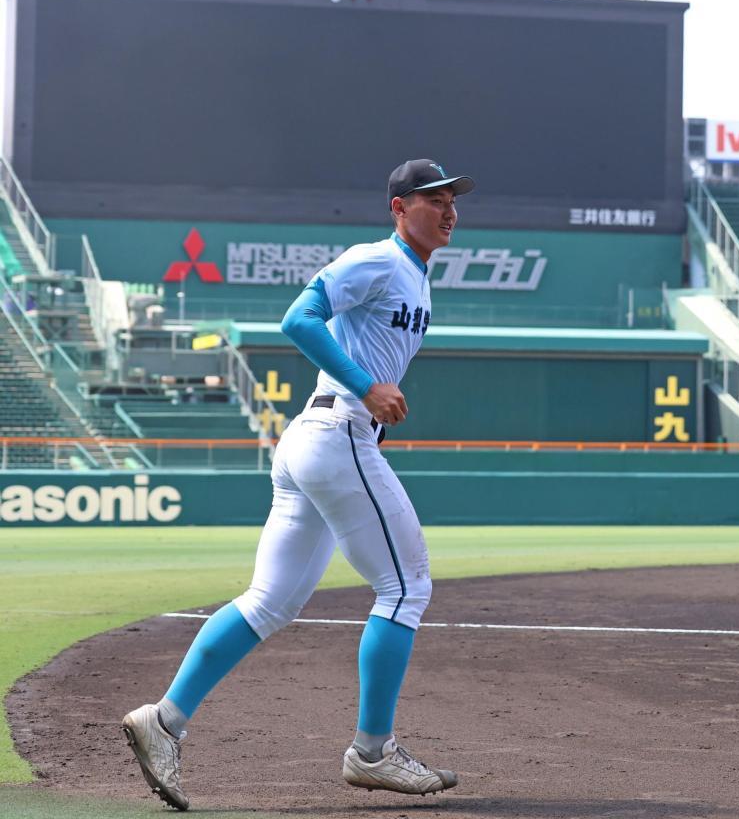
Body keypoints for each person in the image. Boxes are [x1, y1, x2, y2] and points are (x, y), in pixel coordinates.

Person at [122, 159, 475, 811]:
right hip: (335, 432)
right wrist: (365, 385)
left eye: (453, 199)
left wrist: (366, 391)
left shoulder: (417, 279)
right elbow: (299, 318)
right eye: (433, 199)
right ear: (398, 206)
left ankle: (164, 721)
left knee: (268, 602)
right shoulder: (380, 260)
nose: (449, 209)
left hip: (317, 440)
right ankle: (373, 752)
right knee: (405, 587)